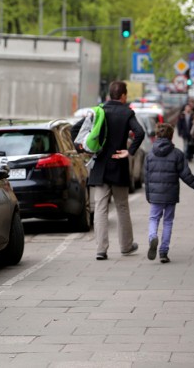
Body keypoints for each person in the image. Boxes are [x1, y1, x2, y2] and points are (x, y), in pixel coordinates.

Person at [73, 80, 145, 260]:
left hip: (100, 166)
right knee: (122, 207)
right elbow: (140, 132)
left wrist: (83, 149)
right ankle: (126, 246)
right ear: (123, 96)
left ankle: (101, 249)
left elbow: (75, 129)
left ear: (109, 95)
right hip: (118, 165)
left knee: (100, 208)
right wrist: (129, 151)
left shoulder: (99, 111)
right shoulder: (127, 113)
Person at [144, 123, 194, 264]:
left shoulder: (149, 155)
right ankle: (163, 252)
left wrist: (149, 195)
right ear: (172, 136)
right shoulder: (177, 154)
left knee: (154, 218)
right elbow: (186, 176)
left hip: (155, 194)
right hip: (171, 194)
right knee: (168, 221)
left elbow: (146, 178)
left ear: (156, 136)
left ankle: (152, 236)